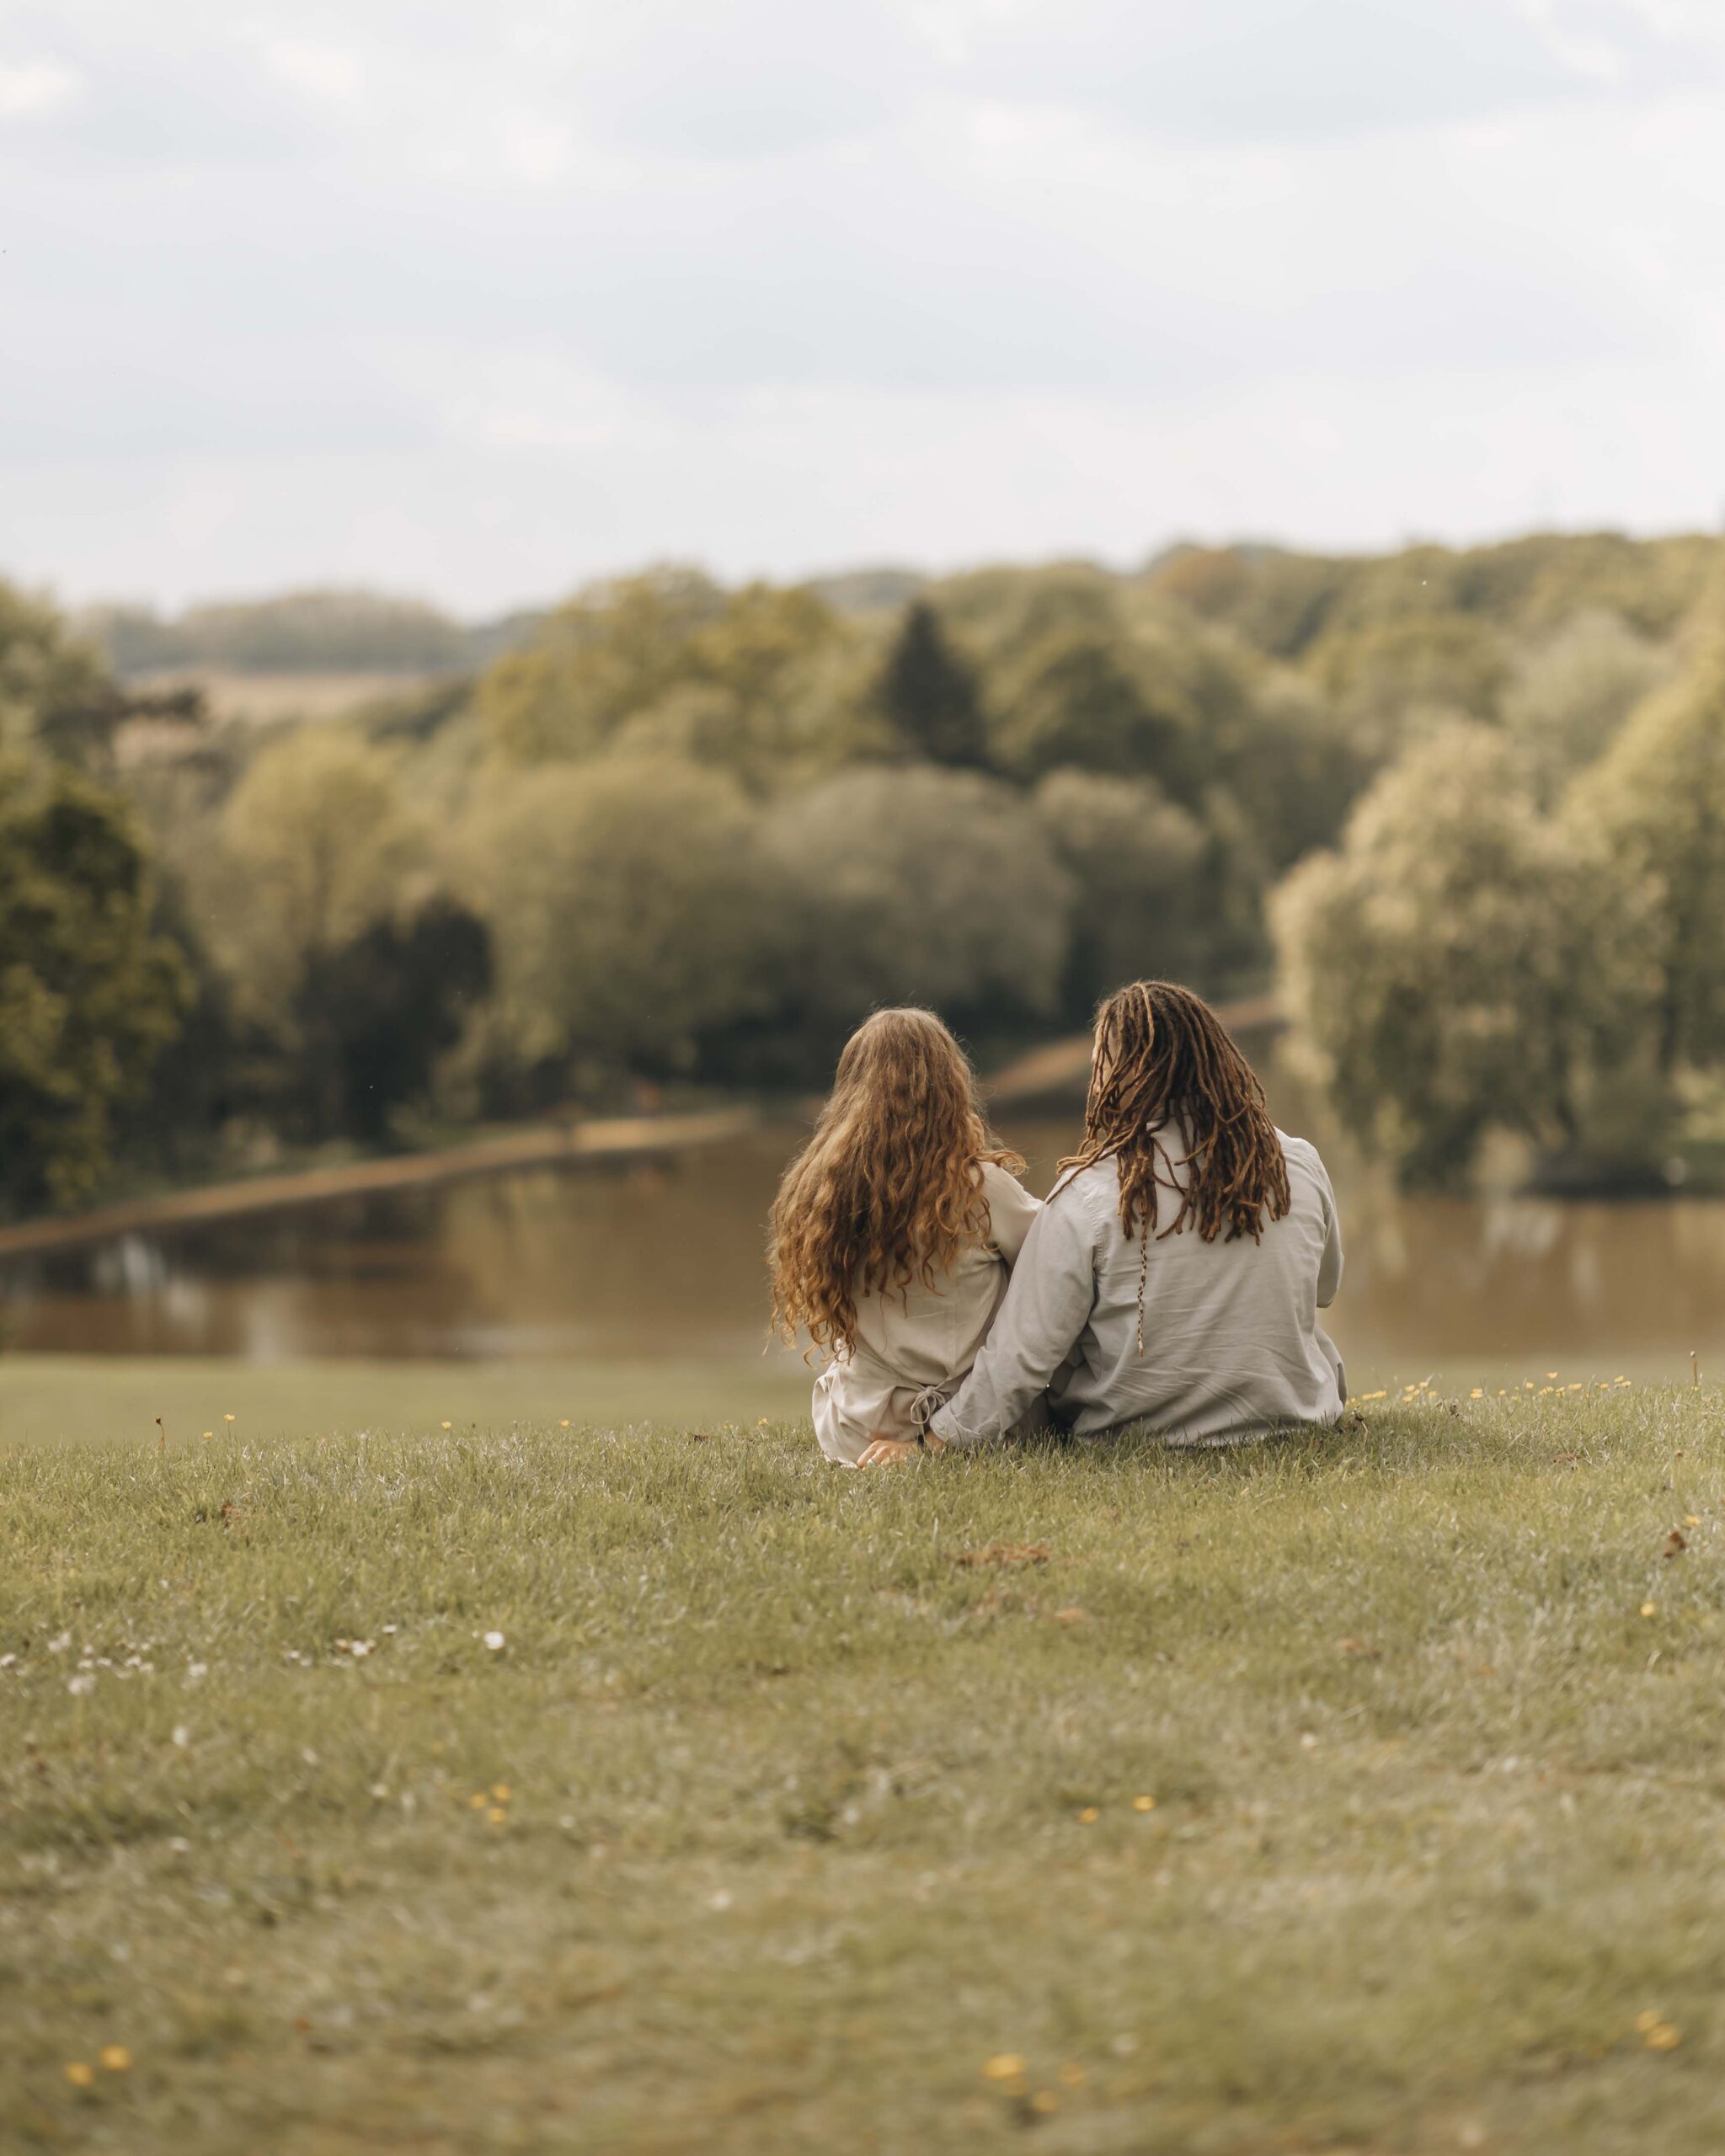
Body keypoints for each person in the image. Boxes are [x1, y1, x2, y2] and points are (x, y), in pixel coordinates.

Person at [857, 979, 1343, 1465]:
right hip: (1291, 1419)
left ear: (1123, 1077)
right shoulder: (1298, 1162)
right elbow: (1323, 1289)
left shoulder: (1088, 1193)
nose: (1094, 1087)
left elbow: (1020, 1359)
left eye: (1099, 1069)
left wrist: (932, 1445)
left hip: (1141, 1436)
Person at [769, 1007, 1041, 1466]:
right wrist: (974, 1157)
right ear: (949, 1090)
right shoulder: (981, 1189)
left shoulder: (825, 1187)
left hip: (854, 1430)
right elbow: (1059, 1258)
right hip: (963, 1431)